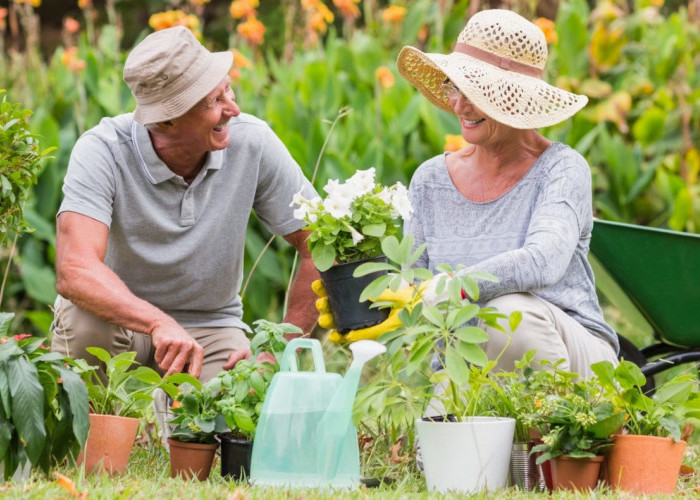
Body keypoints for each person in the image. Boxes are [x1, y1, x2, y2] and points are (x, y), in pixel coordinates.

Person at [319, 9, 618, 380]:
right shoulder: (430, 179)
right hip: (465, 370)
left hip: (573, 359)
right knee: (439, 430)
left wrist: (447, 288)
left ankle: (556, 435)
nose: (459, 105)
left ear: (516, 97)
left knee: (511, 315)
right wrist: (366, 301)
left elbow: (543, 261)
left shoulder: (561, 169)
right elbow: (418, 285)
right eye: (454, 87)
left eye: (475, 91)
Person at [51, 26, 319, 383]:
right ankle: (94, 434)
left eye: (228, 89)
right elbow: (75, 269)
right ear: (167, 119)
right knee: (83, 326)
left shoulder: (252, 142)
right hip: (117, 321)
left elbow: (318, 242)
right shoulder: (103, 149)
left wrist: (277, 349)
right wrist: (157, 322)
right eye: (215, 101)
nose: (234, 109)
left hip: (210, 326)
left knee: (236, 410)